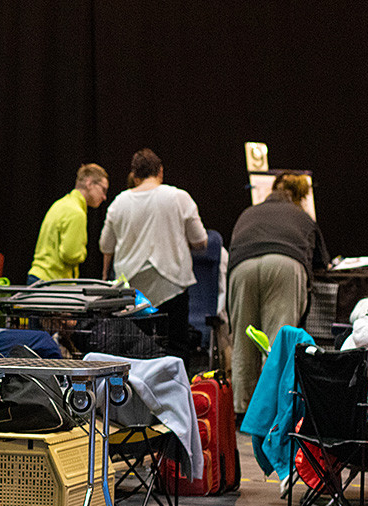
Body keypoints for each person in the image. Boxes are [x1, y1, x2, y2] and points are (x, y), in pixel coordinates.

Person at [227, 173, 329, 416]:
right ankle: (274, 411)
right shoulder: (302, 216)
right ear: (300, 196)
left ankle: (242, 410)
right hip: (285, 266)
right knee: (277, 343)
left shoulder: (248, 212)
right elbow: (321, 262)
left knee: (244, 341)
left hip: (242, 268)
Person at [100, 148, 207, 362]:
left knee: (133, 349)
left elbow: (105, 245)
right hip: (171, 284)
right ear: (160, 171)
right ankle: (174, 393)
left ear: (135, 175)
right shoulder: (179, 197)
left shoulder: (119, 202)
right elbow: (200, 240)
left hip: (132, 289)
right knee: (176, 347)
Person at [28, 163, 109, 284]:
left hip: (38, 277)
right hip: (52, 282)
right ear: (89, 183)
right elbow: (71, 254)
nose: (104, 197)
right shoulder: (76, 212)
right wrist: (83, 251)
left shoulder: (60, 204)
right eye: (103, 189)